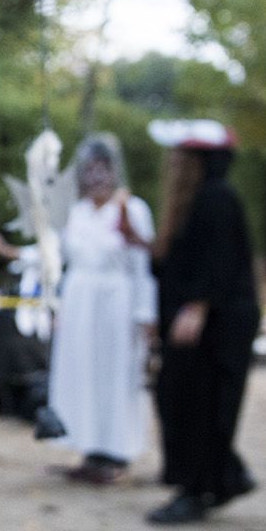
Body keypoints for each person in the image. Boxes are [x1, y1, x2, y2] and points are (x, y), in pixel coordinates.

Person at [145, 119, 261, 524]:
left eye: (181, 155)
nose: (173, 162)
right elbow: (181, 262)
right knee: (184, 397)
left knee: (196, 402)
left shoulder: (216, 198)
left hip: (214, 326)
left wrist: (197, 305)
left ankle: (194, 489)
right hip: (198, 321)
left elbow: (220, 262)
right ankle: (224, 476)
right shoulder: (194, 202)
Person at [46, 134, 157, 484]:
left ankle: (117, 452)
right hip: (80, 304)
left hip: (116, 304)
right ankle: (90, 448)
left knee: (116, 375)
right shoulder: (76, 213)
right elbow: (59, 261)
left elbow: (143, 268)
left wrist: (146, 315)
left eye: (103, 168)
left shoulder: (132, 209)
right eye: (90, 169)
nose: (97, 176)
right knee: (83, 375)